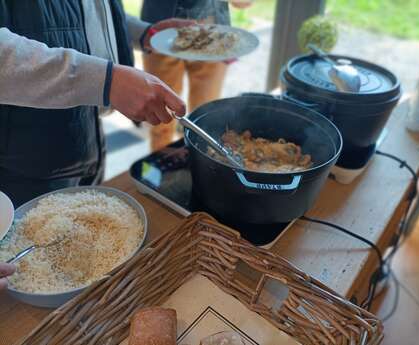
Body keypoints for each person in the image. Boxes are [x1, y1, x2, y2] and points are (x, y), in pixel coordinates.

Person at [0, 1, 191, 207]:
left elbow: (91, 10)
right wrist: (106, 81)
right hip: (23, 156)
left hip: (86, 133)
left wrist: (144, 33)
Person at [140, 0, 252, 150]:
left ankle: (197, 168)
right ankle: (162, 169)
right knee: (160, 120)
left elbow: (243, 3)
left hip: (213, 34)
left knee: (205, 123)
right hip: (160, 29)